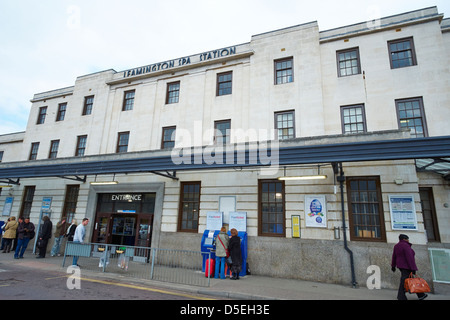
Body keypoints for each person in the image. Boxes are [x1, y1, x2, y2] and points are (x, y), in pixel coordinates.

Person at [391, 234, 428, 300]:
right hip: (406, 266)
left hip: (400, 266)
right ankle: (401, 296)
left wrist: (393, 265)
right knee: (404, 281)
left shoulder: (396, 246)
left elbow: (394, 256)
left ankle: (421, 294)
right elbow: (410, 258)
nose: (408, 240)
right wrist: (413, 268)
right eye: (407, 239)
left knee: (411, 279)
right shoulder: (406, 246)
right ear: (405, 239)